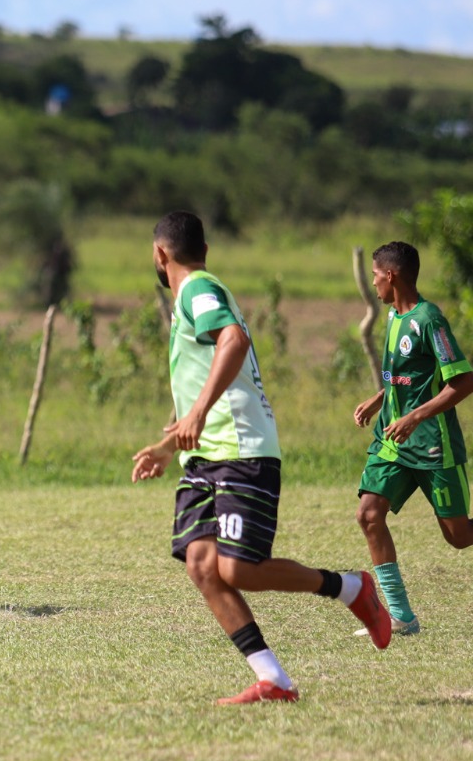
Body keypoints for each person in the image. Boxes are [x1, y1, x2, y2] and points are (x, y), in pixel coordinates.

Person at [132, 211, 391, 705]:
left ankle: (352, 589)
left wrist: (200, 414)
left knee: (237, 568)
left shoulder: (196, 290)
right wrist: (171, 444)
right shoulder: (193, 295)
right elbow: (204, 377)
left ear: (160, 254)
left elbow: (234, 339)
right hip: (206, 455)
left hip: (241, 449)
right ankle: (273, 679)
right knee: (202, 564)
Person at [351, 241, 473, 635]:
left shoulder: (429, 319)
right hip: (393, 441)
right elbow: (404, 377)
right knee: (369, 514)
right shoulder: (392, 317)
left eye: (374, 276)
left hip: (433, 446)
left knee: (458, 538)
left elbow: (462, 380)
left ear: (391, 275)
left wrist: (415, 416)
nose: (373, 284)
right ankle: (400, 616)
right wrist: (378, 399)